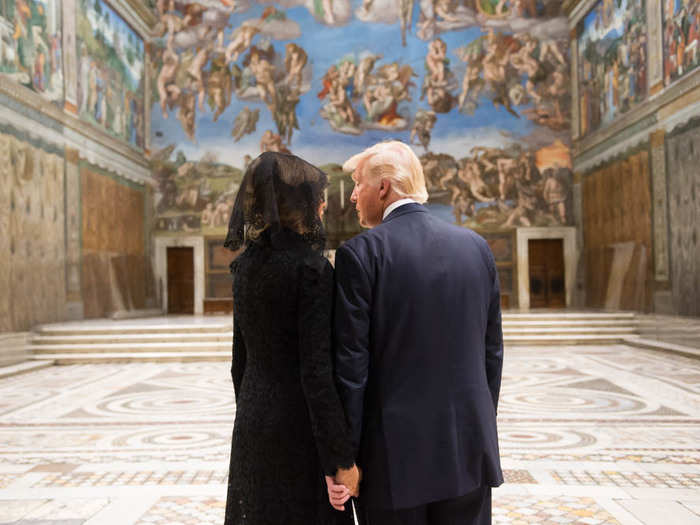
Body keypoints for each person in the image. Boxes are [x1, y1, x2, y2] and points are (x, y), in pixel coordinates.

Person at [332, 141, 504, 524]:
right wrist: (478, 428)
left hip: (393, 459)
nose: (353, 195)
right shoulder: (476, 248)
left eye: (358, 183)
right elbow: (491, 354)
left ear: (383, 187)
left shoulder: (361, 254)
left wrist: (345, 459)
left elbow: (351, 368)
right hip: (469, 452)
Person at [224, 152, 360, 525]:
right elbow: (316, 373)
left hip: (253, 420)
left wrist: (254, 410)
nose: (321, 207)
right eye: (317, 199)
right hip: (297, 429)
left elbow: (239, 363)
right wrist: (340, 459)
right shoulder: (311, 269)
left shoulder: (245, 266)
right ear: (299, 205)